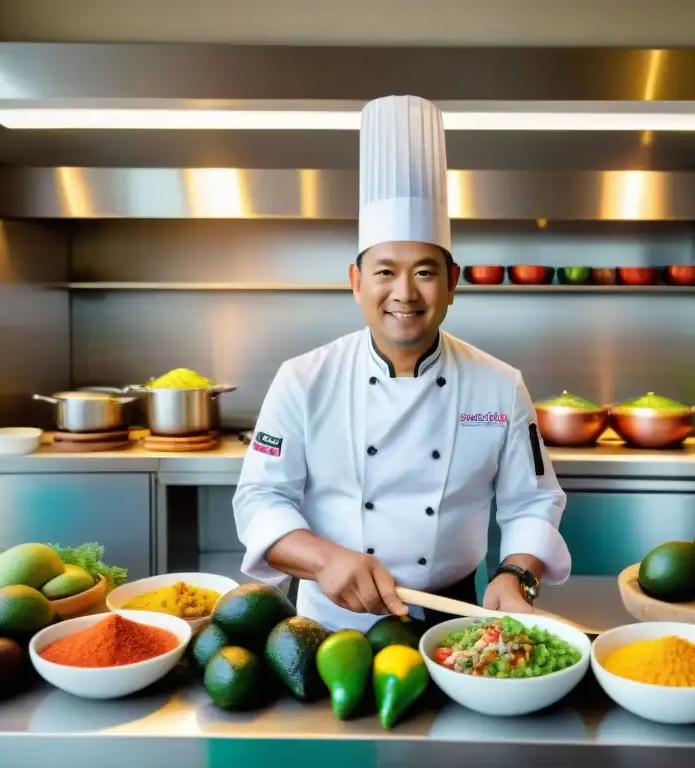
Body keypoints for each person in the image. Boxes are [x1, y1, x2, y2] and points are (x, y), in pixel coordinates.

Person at [232, 94, 571, 632]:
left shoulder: (499, 385)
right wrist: (324, 559)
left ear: (453, 283)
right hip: (326, 625)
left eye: (425, 272)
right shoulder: (303, 379)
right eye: (385, 271)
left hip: (455, 622)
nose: (404, 293)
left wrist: (515, 574)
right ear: (356, 281)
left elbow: (533, 501)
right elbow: (259, 498)